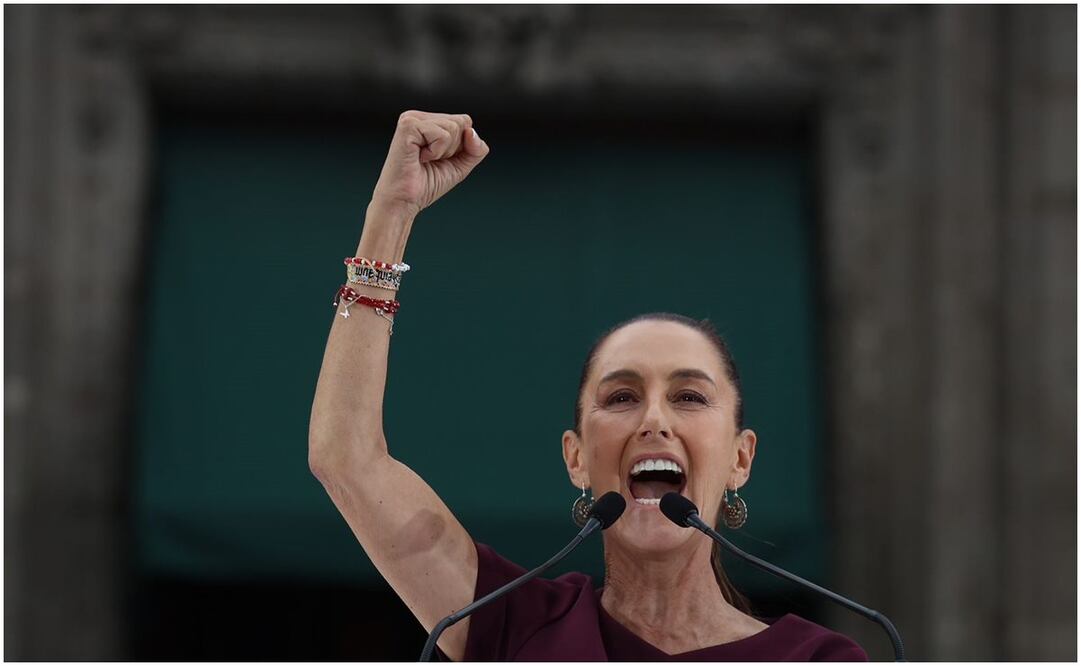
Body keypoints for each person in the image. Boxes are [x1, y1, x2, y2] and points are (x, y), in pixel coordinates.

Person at [309, 110, 869, 661]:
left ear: (740, 459)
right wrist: (391, 214)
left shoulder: (816, 657)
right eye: (621, 397)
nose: (654, 420)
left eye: (689, 397)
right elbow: (347, 459)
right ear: (575, 458)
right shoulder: (513, 624)